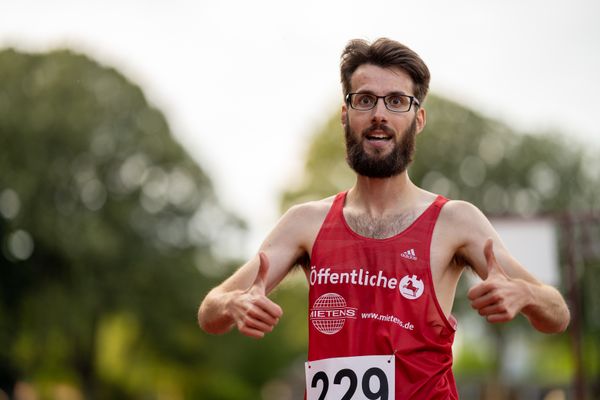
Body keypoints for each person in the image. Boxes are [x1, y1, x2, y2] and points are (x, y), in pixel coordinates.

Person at [198, 38, 570, 399]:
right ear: (346, 115)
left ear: (417, 118)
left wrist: (526, 293)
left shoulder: (455, 221)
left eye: (396, 101)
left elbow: (557, 314)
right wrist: (233, 304)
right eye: (365, 100)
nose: (379, 114)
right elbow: (210, 311)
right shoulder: (305, 223)